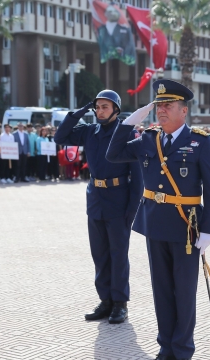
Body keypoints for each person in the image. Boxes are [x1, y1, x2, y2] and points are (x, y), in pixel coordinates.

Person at [106, 80, 210, 360]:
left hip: (186, 227)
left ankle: (182, 350)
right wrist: (131, 120)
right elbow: (113, 154)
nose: (161, 111)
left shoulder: (199, 141)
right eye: (158, 106)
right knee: (161, 291)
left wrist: (209, 231)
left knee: (183, 292)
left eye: (168, 106)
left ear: (183, 111)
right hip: (155, 223)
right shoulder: (148, 138)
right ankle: (166, 347)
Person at [54, 90, 143, 325]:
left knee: (118, 255)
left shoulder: (127, 133)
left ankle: (120, 304)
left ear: (116, 109)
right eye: (97, 107)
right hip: (95, 199)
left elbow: (138, 177)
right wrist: (79, 113)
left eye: (105, 106)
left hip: (119, 200)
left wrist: (132, 210)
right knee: (100, 254)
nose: (100, 111)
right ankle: (105, 301)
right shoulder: (89, 131)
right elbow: (60, 137)